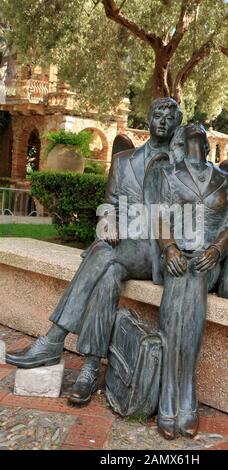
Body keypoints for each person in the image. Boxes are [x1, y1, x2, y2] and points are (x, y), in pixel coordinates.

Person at [6, 97, 183, 405]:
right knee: (108, 275)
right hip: (118, 245)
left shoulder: (180, 167)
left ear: (176, 125)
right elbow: (109, 203)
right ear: (149, 118)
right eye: (158, 114)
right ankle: (89, 369)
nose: (163, 122)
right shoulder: (124, 161)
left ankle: (53, 339)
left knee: (102, 254)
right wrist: (109, 221)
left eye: (170, 118)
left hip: (153, 249)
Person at [155, 124, 228, 439]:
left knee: (193, 277)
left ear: (206, 143)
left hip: (208, 261)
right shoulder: (170, 175)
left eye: (199, 137)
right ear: (182, 142)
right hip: (178, 257)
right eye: (190, 137)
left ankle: (181, 389)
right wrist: (170, 248)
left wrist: (217, 250)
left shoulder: (226, 179)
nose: (195, 141)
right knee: (184, 279)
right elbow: (160, 219)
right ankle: (174, 392)